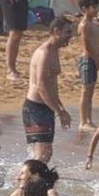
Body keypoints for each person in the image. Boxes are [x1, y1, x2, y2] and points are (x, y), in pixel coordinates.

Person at [23, 18, 74, 163]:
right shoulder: (44, 53)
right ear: (56, 32)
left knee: (44, 155)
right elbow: (42, 86)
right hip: (35, 108)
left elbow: (52, 86)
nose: (71, 36)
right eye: (68, 32)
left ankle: (30, 179)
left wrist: (61, 108)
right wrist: (59, 112)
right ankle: (25, 180)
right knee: (42, 155)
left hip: (46, 107)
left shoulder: (54, 51)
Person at [76, 0, 99, 128]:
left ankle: (89, 119)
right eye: (93, 7)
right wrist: (95, 57)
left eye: (96, 6)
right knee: (85, 91)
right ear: (84, 9)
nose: (96, 9)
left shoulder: (94, 24)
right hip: (87, 59)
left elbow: (98, 42)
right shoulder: (84, 25)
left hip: (94, 59)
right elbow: (86, 44)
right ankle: (83, 121)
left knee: (90, 91)